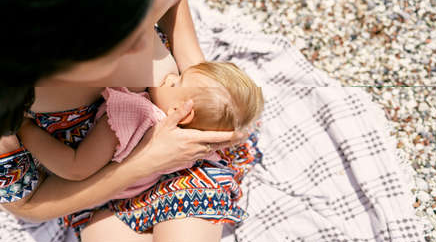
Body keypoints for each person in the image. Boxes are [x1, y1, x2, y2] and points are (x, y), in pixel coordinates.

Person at [0, 0, 260, 242]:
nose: (145, 43)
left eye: (143, 24)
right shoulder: (9, 106)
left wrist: (197, 74)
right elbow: (28, 203)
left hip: (184, 172)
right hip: (101, 196)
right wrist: (145, 162)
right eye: (121, 43)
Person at [17, 62, 264, 200]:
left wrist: (26, 129)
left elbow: (77, 169)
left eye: (176, 81)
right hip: (141, 190)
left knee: (74, 165)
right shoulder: (193, 143)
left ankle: (23, 127)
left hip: (100, 188)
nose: (169, 77)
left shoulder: (134, 115)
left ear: (181, 111)